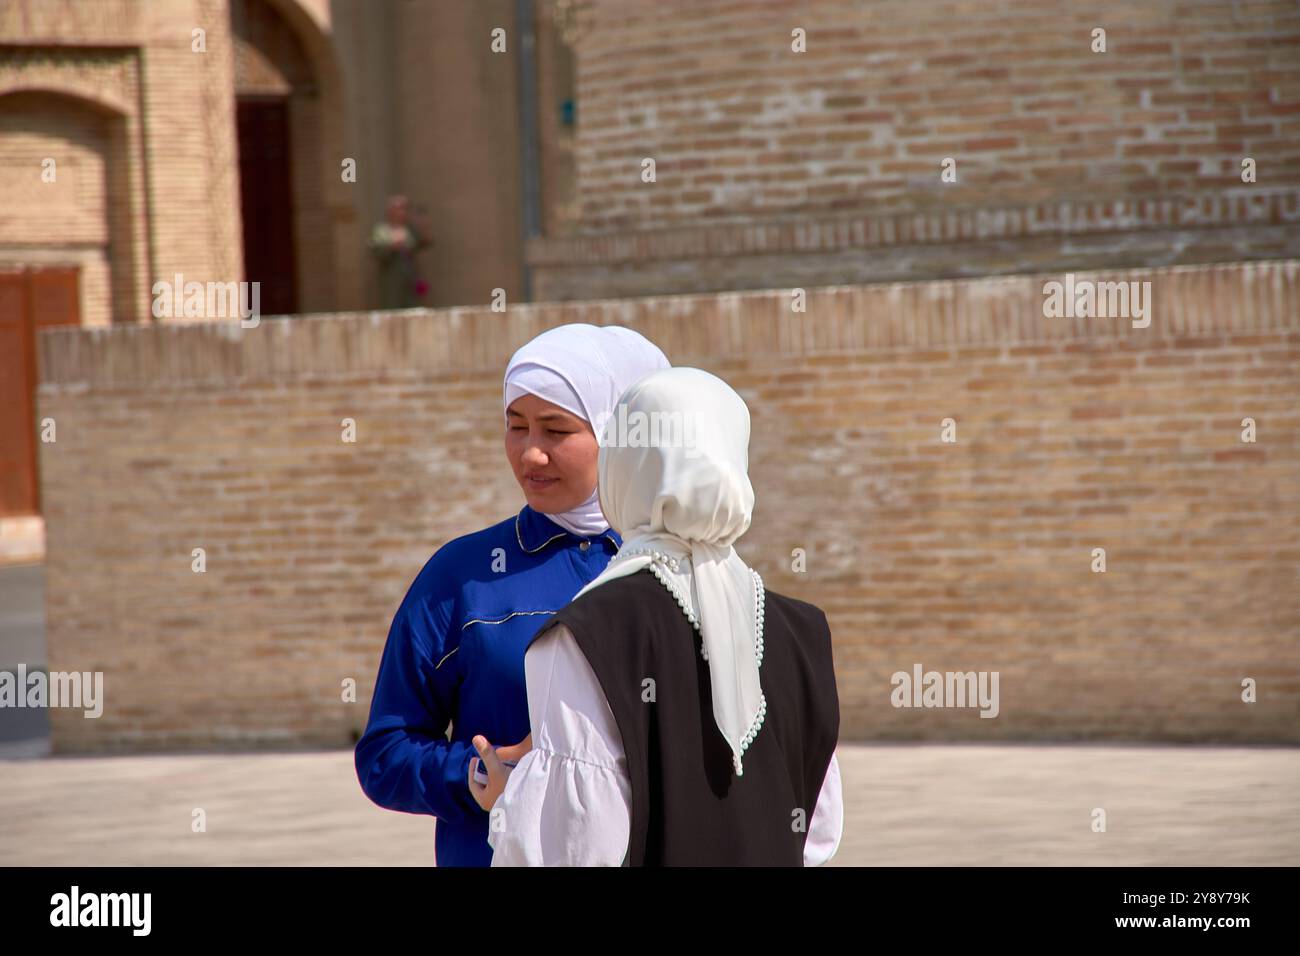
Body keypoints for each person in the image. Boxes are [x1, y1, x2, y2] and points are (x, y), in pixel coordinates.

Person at [481, 366, 843, 866]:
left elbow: (578, 846)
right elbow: (816, 834)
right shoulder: (802, 632)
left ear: (625, 466)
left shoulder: (586, 634)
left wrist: (511, 799)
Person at [354, 323, 670, 867]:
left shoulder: (673, 569)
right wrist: (477, 775)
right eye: (516, 427)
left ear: (619, 434)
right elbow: (385, 753)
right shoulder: (463, 576)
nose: (531, 455)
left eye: (556, 430)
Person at [369, 194, 431, 309]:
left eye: (405, 208)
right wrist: (392, 246)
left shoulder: (410, 230)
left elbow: (423, 243)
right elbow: (375, 251)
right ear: (390, 211)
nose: (402, 212)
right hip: (391, 281)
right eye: (399, 208)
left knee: (414, 310)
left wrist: (424, 225)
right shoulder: (382, 230)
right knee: (392, 310)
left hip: (411, 280)